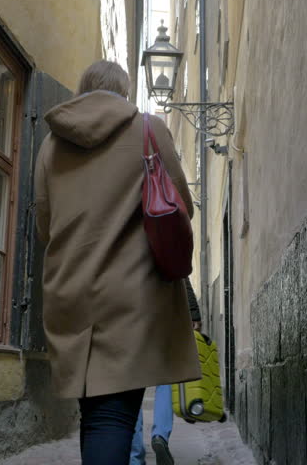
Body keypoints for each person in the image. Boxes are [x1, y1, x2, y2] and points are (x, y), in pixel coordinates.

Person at [34, 60, 201, 465]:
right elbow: (181, 206)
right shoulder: (146, 128)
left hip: (69, 292)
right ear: (123, 92)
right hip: (131, 297)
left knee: (96, 415)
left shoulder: (51, 144)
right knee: (113, 417)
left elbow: (44, 222)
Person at [130, 280, 202, 465]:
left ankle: (135, 454)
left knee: (131, 383)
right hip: (162, 310)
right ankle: (160, 435)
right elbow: (178, 267)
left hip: (130, 312)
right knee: (166, 378)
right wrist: (193, 311)